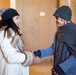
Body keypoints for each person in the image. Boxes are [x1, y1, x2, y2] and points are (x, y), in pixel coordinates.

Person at [33, 5, 76, 75]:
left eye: (57, 18)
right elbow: (54, 48)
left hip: (69, 72)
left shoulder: (74, 31)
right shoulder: (58, 32)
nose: (55, 20)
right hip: (58, 70)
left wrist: (62, 67)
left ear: (63, 19)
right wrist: (40, 53)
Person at [0, 7, 33, 75]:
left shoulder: (12, 32)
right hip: (10, 70)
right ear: (10, 20)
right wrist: (28, 56)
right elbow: (11, 57)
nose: (19, 20)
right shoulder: (5, 34)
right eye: (17, 18)